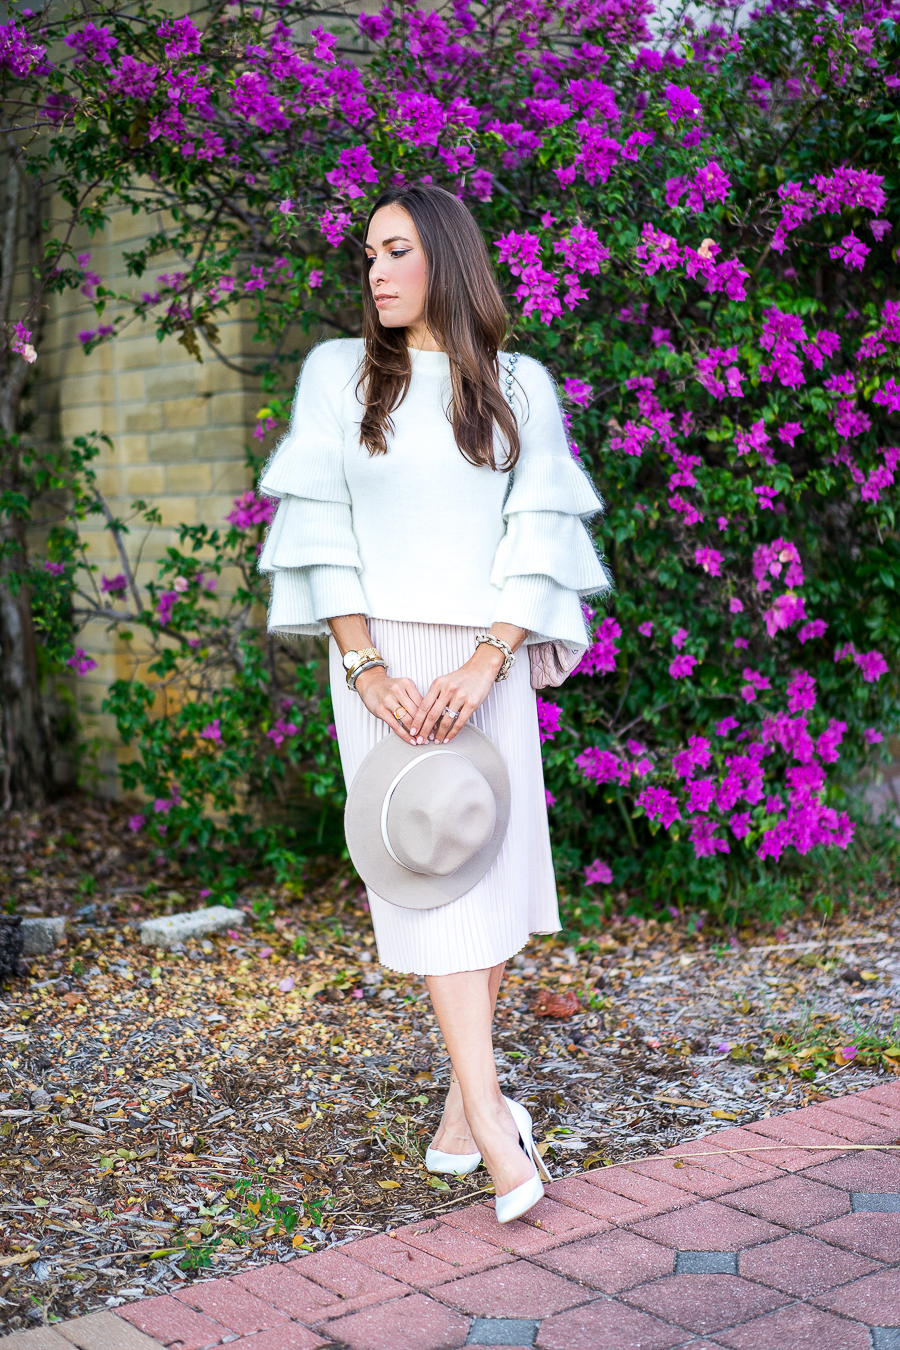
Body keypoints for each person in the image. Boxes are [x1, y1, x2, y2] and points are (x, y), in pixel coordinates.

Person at [258, 182, 610, 1222]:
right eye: (368, 253)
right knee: (434, 887)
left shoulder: (522, 385)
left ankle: (464, 1108)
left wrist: (487, 661)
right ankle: (500, 1126)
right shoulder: (339, 375)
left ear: (446, 258)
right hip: (384, 670)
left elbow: (539, 531)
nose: (375, 270)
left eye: (397, 249)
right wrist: (370, 670)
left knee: (488, 882)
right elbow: (319, 530)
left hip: (482, 666)